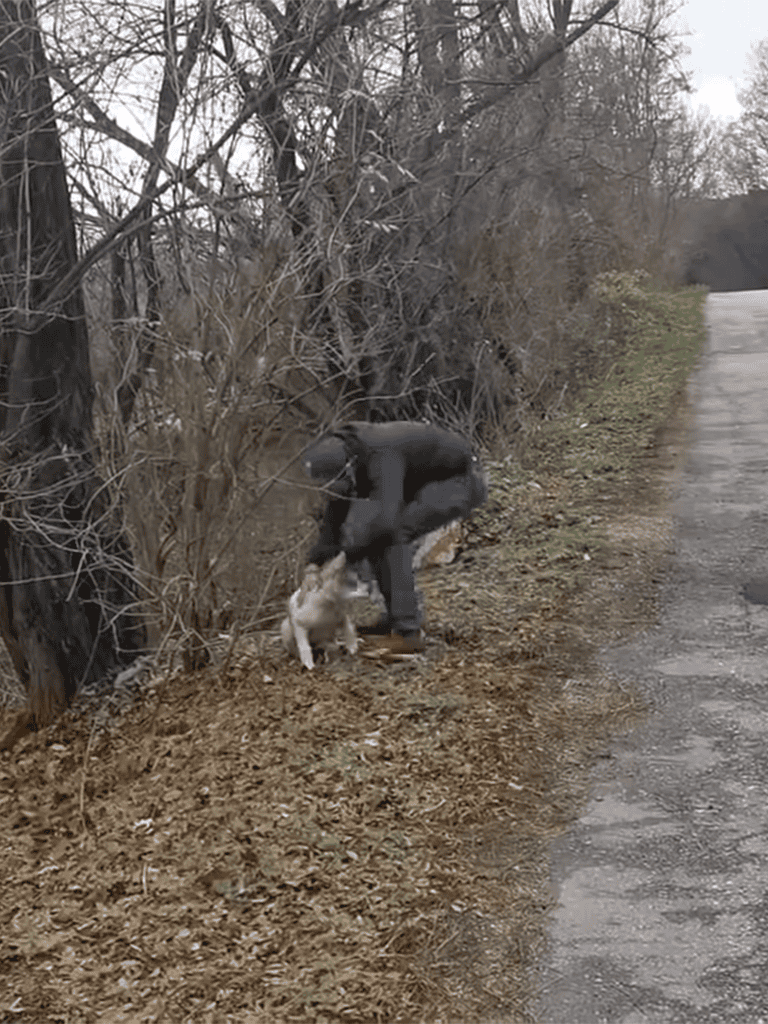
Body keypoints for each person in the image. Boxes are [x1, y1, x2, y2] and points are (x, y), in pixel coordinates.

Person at [301, 420, 488, 655]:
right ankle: (395, 619)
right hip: (420, 483)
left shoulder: (381, 453)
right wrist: (315, 563)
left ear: (348, 467)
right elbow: (335, 515)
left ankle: (407, 633)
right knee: (376, 535)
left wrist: (344, 558)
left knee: (391, 534)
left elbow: (386, 521)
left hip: (459, 480)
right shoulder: (348, 454)